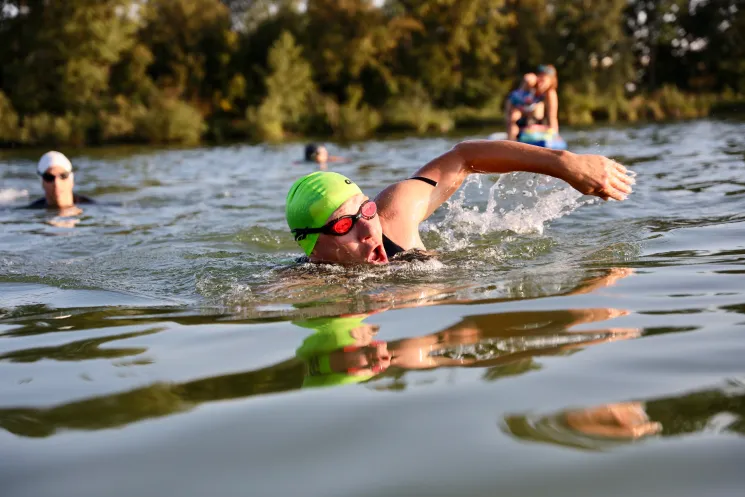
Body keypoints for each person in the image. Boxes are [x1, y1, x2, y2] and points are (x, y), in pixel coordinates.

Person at [285, 139, 634, 265]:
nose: (367, 228)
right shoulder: (306, 284)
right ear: (315, 249)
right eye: (345, 224)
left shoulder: (397, 216)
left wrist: (564, 163)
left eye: (366, 209)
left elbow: (465, 156)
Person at [505, 65, 560, 141]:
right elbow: (515, 100)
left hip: (535, 120)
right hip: (519, 111)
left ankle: (529, 130)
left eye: (543, 81)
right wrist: (527, 82)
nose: (540, 84)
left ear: (551, 81)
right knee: (514, 117)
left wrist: (555, 136)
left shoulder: (550, 93)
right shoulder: (531, 83)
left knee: (538, 110)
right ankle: (511, 141)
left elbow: (552, 118)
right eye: (539, 79)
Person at [26, 151, 95, 209]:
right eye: (49, 177)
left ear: (71, 180)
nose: (56, 183)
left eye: (63, 176)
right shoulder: (32, 210)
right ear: (42, 182)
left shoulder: (92, 207)